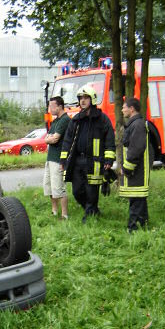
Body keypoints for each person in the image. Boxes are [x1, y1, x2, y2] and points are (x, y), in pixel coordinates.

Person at [60, 85, 115, 223]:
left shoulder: (102, 119)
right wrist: (63, 160)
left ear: (92, 99)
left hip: (94, 162)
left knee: (92, 191)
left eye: (86, 98)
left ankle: (89, 215)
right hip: (78, 161)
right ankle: (91, 209)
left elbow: (109, 140)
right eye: (80, 98)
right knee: (77, 191)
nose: (82, 101)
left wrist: (108, 160)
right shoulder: (76, 119)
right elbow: (67, 140)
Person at [119, 98, 153, 232]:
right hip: (137, 169)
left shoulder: (137, 125)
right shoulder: (135, 124)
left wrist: (127, 167)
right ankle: (143, 224)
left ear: (131, 109)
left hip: (137, 170)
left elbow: (136, 148)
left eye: (124, 107)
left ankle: (133, 229)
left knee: (135, 199)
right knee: (139, 199)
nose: (122, 110)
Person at [43, 96, 70, 219]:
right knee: (49, 187)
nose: (50, 108)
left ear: (59, 107)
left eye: (52, 106)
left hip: (58, 159)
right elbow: (47, 138)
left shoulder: (65, 120)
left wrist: (49, 139)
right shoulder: (55, 121)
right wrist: (49, 139)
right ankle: (54, 211)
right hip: (50, 159)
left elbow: (54, 139)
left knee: (59, 187)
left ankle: (64, 215)